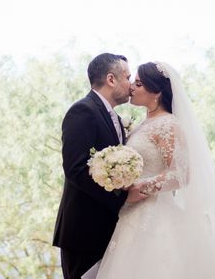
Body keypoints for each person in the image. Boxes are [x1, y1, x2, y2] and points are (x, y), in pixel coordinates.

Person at [91, 61, 215, 278]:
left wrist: (142, 186)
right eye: (132, 81)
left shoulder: (168, 124)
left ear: (157, 92)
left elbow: (181, 174)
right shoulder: (142, 125)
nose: (132, 87)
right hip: (130, 213)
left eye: (139, 83)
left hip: (154, 212)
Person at [52, 53, 148, 279]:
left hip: (109, 230)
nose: (131, 84)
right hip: (83, 231)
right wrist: (122, 198)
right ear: (111, 79)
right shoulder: (83, 111)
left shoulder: (113, 116)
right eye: (127, 77)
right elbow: (76, 169)